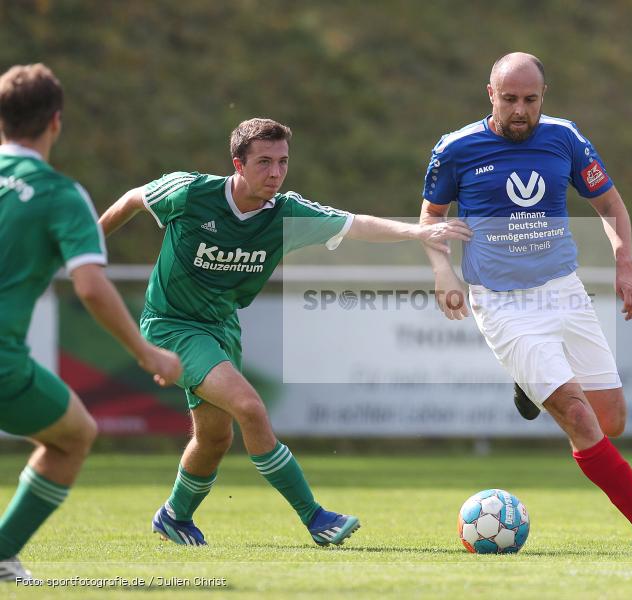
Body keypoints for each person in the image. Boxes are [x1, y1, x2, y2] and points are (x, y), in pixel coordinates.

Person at [99, 118, 470, 548]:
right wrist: (88, 244)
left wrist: (417, 230)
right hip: (171, 326)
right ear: (237, 164)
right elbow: (132, 199)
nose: (275, 173)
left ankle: (175, 516)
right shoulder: (191, 193)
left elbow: (355, 224)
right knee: (250, 407)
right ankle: (315, 518)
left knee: (215, 438)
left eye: (282, 162)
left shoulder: (286, 213)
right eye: (264, 163)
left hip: (221, 328)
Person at [419, 53, 632, 552]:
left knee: (610, 420)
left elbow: (610, 205)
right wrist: (443, 270)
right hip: (501, 303)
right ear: (489, 94)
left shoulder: (565, 137)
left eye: (530, 100)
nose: (520, 110)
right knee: (578, 418)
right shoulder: (456, 148)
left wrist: (625, 264)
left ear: (544, 96)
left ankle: (527, 384)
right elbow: (431, 215)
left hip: (564, 291)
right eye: (509, 99)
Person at [0, 64, 182, 581]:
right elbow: (89, 286)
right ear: (55, 122)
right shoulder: (60, 194)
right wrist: (146, 352)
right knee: (73, 435)